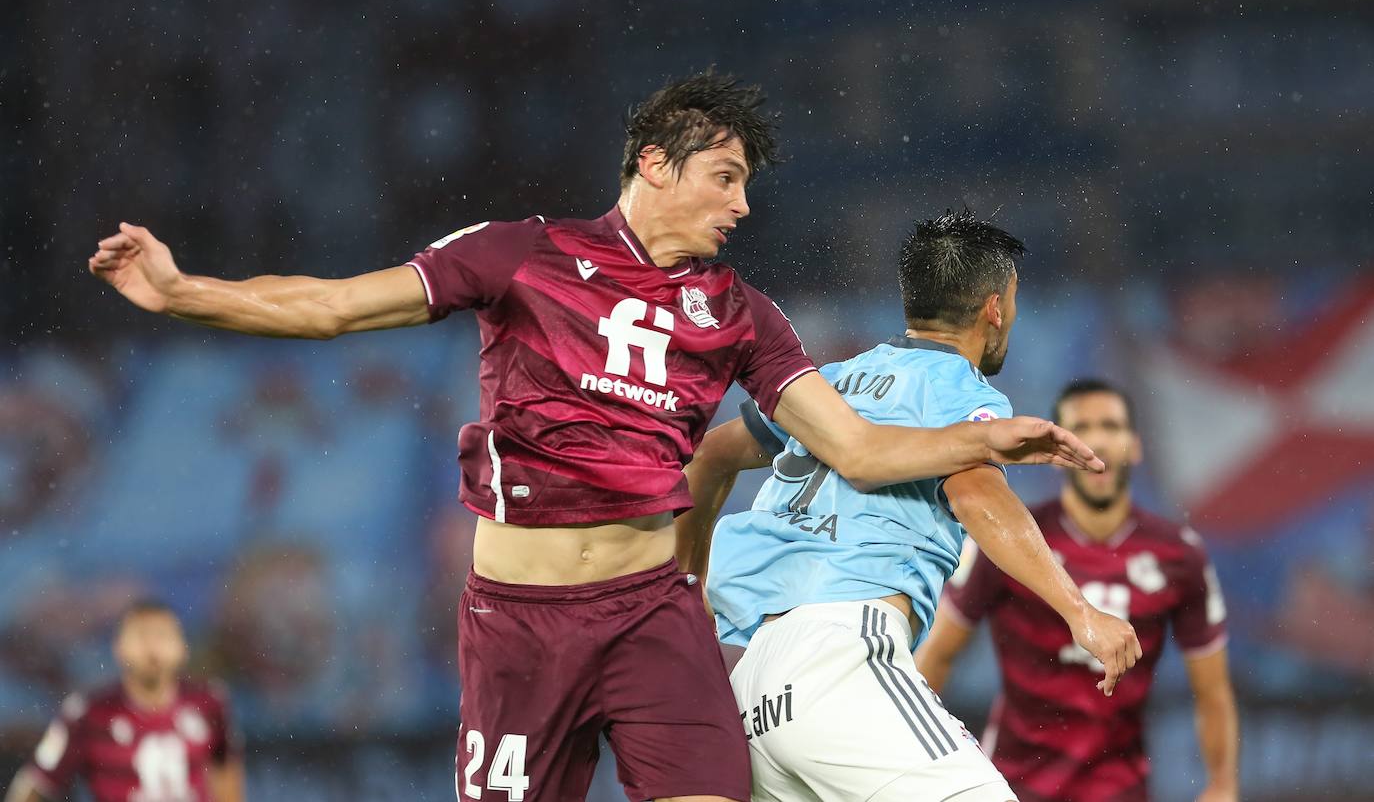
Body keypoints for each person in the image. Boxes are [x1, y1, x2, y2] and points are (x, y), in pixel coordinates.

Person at [88, 72, 1102, 802]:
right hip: (519, 623)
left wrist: (985, 445)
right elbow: (331, 307)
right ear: (654, 163)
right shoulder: (519, 257)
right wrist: (182, 291)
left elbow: (865, 451)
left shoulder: (742, 315)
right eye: (724, 176)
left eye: (748, 184)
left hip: (652, 617)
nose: (741, 205)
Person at [676, 210, 1140, 802]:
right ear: (995, 308)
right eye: (1013, 302)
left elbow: (710, 455)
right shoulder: (960, 392)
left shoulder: (831, 381)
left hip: (754, 685)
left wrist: (687, 583)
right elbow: (975, 493)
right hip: (842, 652)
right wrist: (1080, 611)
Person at [916, 379, 1239, 802]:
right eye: (1082, 428)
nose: (1098, 441)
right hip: (1012, 785)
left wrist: (1222, 785)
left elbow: (1213, 691)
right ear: (1056, 453)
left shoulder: (1179, 554)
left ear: (1136, 446)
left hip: (1120, 789)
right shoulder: (1007, 537)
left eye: (1111, 426)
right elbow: (935, 658)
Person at [5, 600, 244, 802]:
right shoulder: (89, 713)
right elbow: (37, 784)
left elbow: (225, 771)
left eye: (162, 635)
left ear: (182, 647)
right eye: (141, 636)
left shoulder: (209, 702)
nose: (152, 649)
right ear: (119, 647)